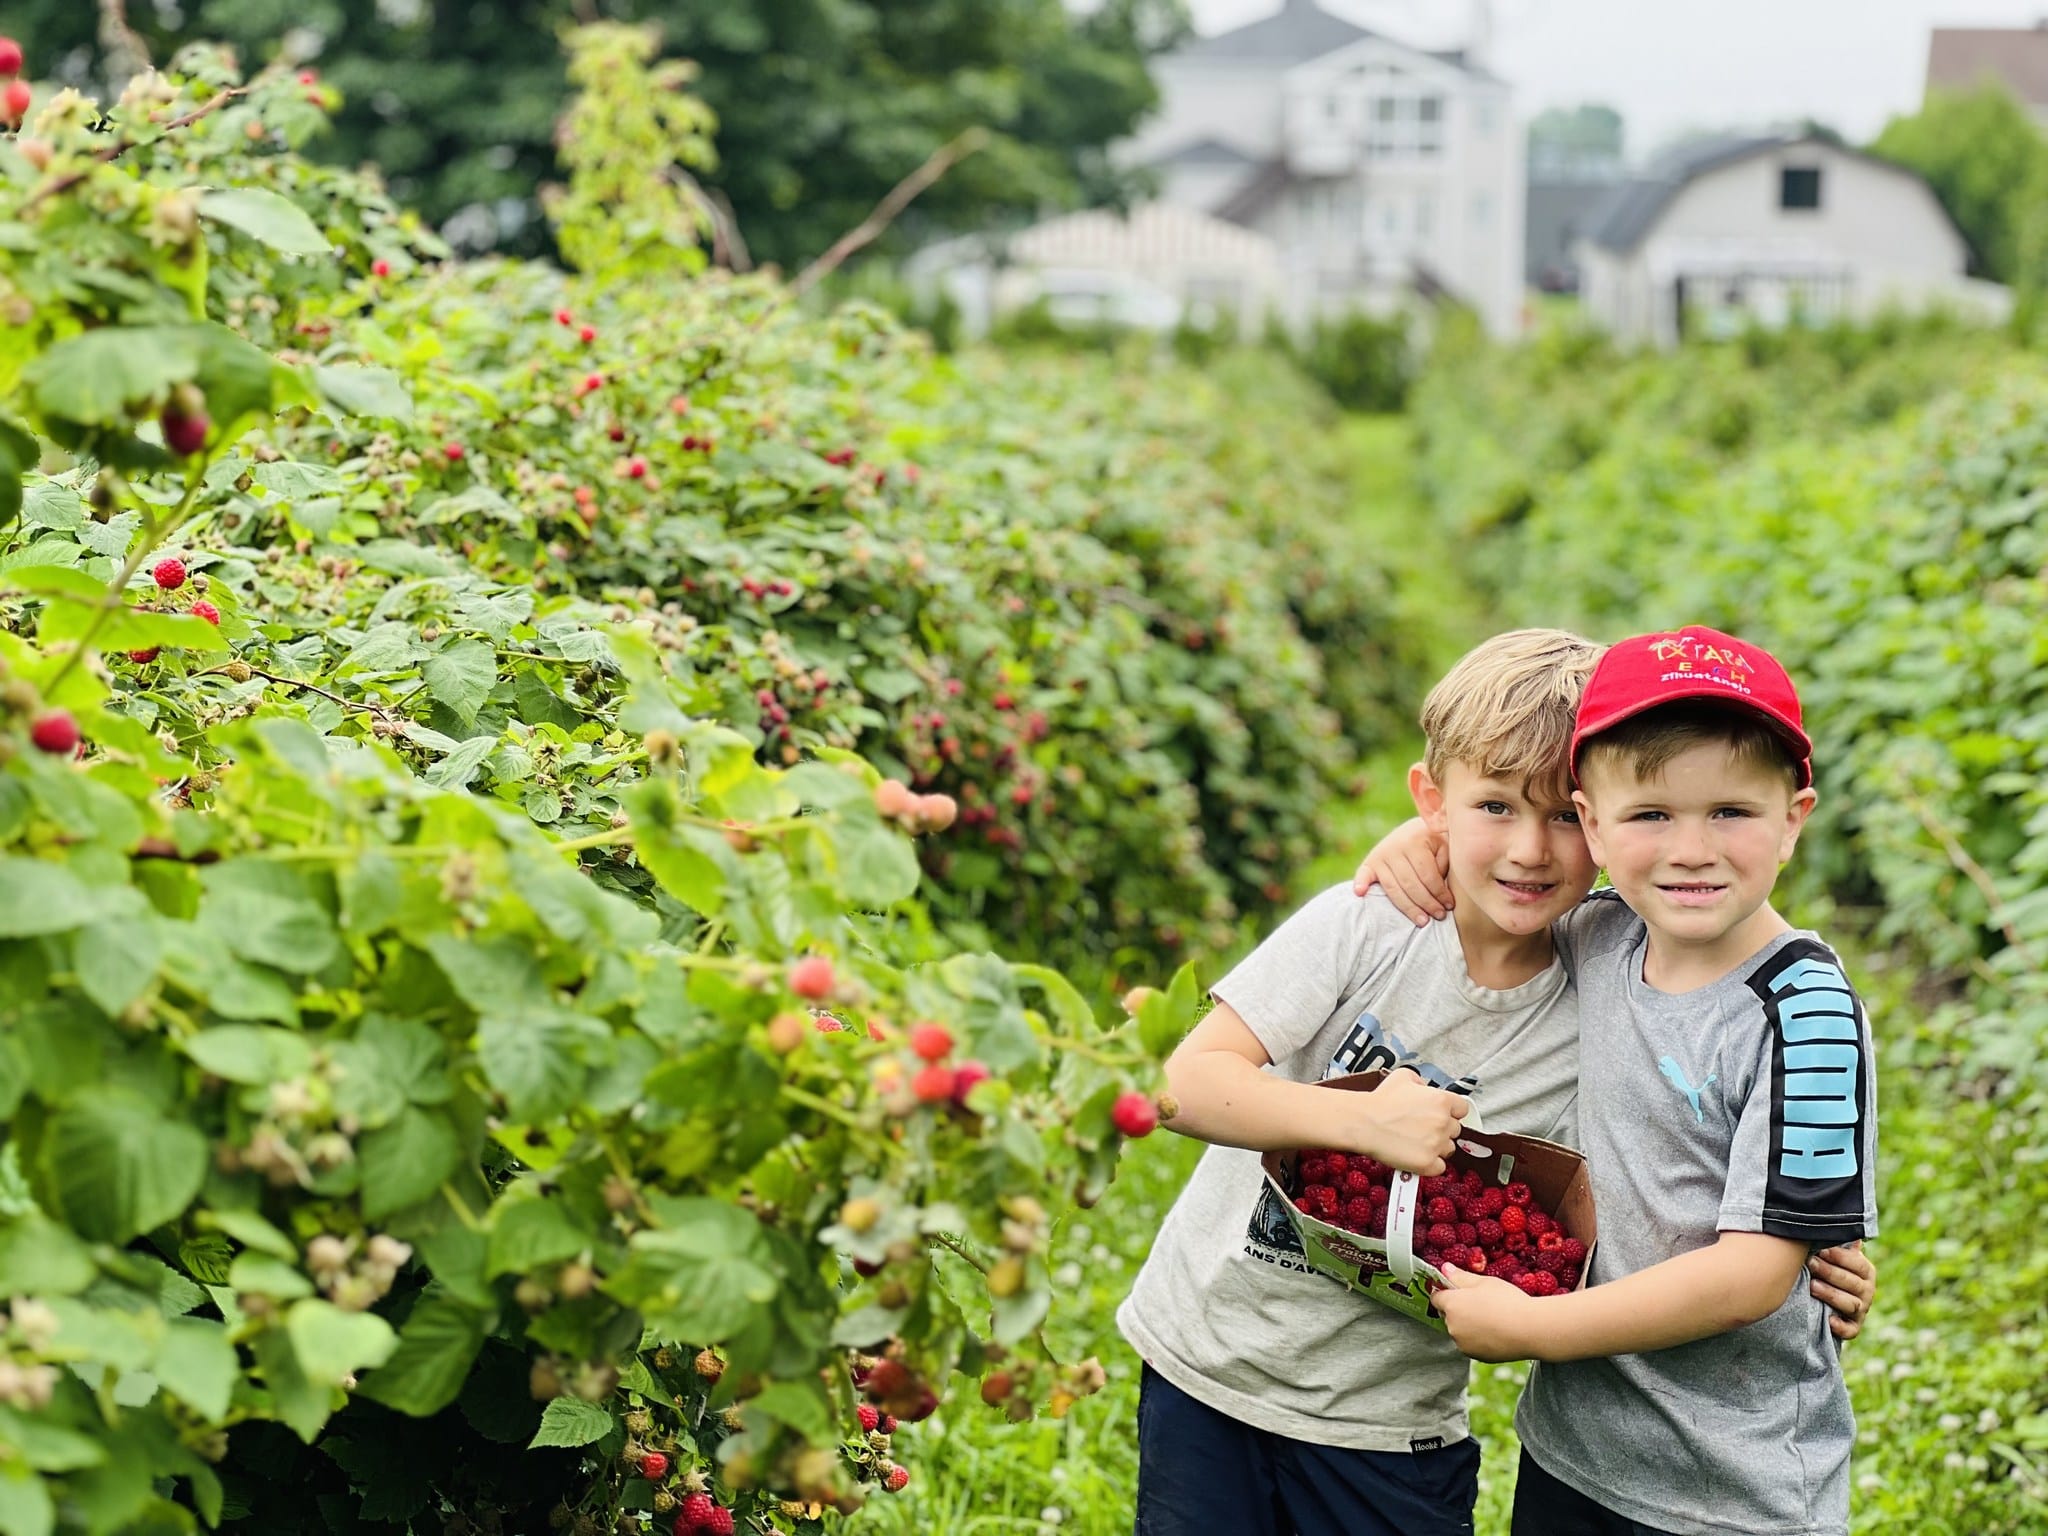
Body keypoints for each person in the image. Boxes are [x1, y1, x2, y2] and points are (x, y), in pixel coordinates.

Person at [1118, 629, 1874, 1536]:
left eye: (1561, 816)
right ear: (1434, 802)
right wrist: (1361, 1114)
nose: (1530, 850)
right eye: (1494, 809)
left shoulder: (1614, 961)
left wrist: (1798, 1249)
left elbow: (1742, 1225)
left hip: (1422, 1424)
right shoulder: (1401, 924)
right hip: (1219, 1359)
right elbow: (1179, 1084)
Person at [1358, 623, 1878, 1536]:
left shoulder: (1805, 1011)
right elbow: (1510, 872)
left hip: (1733, 1487)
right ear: (1593, 823)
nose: (1690, 850)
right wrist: (1422, 837)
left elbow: (1754, 1274)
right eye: (1649, 816)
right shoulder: (1602, 934)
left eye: (1730, 812)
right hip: (1573, 1454)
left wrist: (1534, 1331)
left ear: (1794, 818)